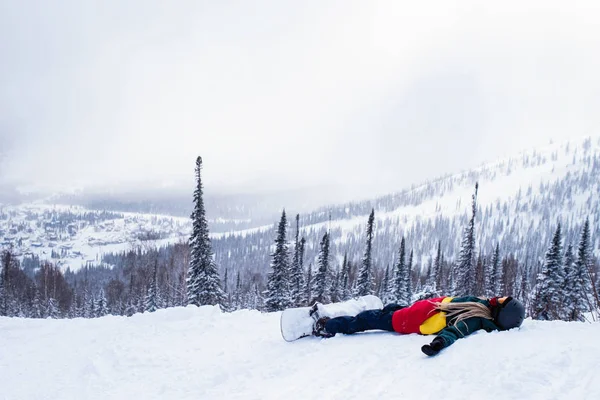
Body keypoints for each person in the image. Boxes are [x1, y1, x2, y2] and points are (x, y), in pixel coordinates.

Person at [310, 295, 525, 356]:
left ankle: (327, 326)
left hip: (412, 320)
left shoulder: (476, 317)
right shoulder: (482, 305)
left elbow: (456, 331)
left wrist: (439, 343)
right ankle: (386, 309)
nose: (498, 297)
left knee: (365, 319)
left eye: (502, 301)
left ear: (500, 313)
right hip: (420, 309)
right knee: (391, 308)